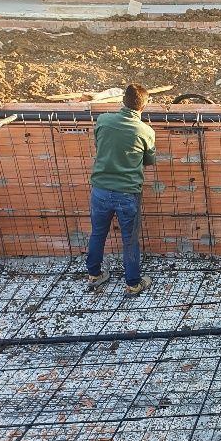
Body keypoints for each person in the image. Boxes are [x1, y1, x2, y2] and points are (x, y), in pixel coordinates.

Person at [85, 83, 156, 295]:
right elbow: (149, 161)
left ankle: (94, 275)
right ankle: (133, 284)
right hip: (127, 194)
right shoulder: (145, 131)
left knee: (98, 233)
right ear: (143, 107)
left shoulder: (103, 121)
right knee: (130, 240)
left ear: (122, 101)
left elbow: (99, 145)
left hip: (100, 190)